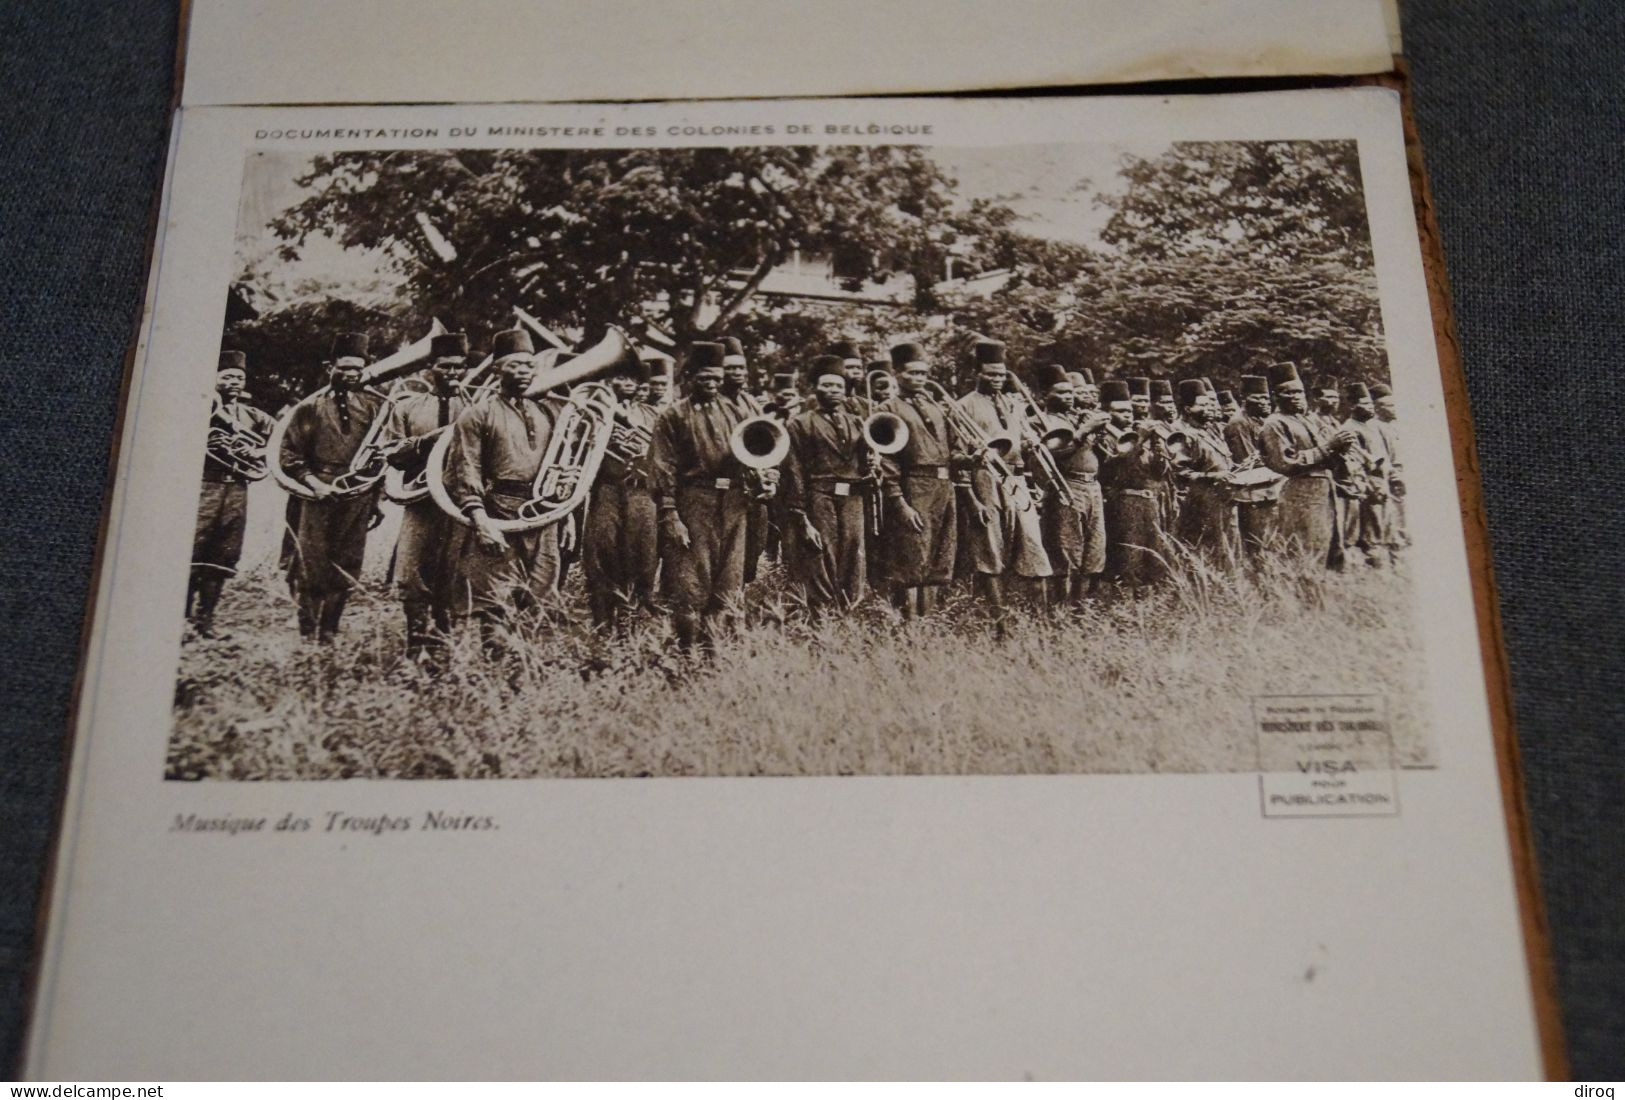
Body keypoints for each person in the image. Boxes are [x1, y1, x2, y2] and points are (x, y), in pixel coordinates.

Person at [439, 328, 562, 653]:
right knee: (495, 600)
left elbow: (562, 464)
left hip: (543, 513)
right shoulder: (476, 414)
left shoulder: (546, 411)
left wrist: (566, 512)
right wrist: (481, 521)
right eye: (515, 365)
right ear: (497, 369)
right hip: (498, 512)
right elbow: (465, 470)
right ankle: (498, 671)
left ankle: (521, 673)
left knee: (537, 597)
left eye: (528, 365)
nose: (524, 372)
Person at [648, 340, 772, 650]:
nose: (713, 384)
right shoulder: (673, 416)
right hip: (694, 501)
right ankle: (687, 652)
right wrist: (671, 516)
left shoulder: (736, 410)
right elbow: (663, 468)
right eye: (705, 378)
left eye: (717, 378)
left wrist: (764, 476)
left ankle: (716, 653)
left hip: (733, 502)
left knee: (728, 581)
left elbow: (755, 451)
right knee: (691, 582)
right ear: (690, 377)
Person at [277, 331, 386, 643]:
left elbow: (378, 458)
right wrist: (313, 484)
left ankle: (329, 633)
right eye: (345, 367)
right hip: (317, 491)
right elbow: (290, 454)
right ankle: (308, 635)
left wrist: (375, 499)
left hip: (358, 494)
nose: (351, 375)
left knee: (347, 563)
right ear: (330, 367)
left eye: (357, 369)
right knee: (311, 564)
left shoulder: (373, 408)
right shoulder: (310, 407)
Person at [383, 330, 475, 659]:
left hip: (461, 504)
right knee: (410, 575)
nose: (453, 373)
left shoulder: (477, 406)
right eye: (446, 367)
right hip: (420, 503)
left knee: (454, 574)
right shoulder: (407, 406)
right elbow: (391, 453)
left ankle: (444, 648)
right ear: (430, 369)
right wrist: (425, 442)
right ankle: (415, 644)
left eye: (459, 367)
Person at [956, 339, 1051, 610]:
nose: (996, 379)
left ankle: (1039, 618)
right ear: (977, 374)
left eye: (1001, 374)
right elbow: (959, 455)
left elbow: (1021, 444)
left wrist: (1030, 446)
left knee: (1033, 545)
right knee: (990, 550)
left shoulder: (1013, 404)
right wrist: (971, 500)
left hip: (1017, 480)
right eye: (990, 374)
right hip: (985, 479)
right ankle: (1000, 621)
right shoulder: (965, 405)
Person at [187, 349, 276, 638]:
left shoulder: (252, 415)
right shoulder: (198, 405)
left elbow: (282, 439)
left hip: (237, 489)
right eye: (227, 377)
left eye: (239, 377)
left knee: (223, 555)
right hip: (203, 486)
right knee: (192, 551)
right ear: (214, 379)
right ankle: (181, 621)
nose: (235, 382)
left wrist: (257, 450)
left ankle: (206, 621)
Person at [879, 341, 967, 619]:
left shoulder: (938, 406)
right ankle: (908, 622)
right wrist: (899, 502)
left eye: (923, 374)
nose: (918, 379)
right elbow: (886, 460)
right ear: (896, 374)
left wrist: (969, 457)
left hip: (944, 487)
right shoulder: (887, 408)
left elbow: (954, 447)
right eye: (911, 373)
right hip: (913, 486)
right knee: (911, 555)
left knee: (939, 555)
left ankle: (928, 621)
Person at [782, 355, 871, 612]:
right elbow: (794, 471)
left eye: (839, 387)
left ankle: (848, 617)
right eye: (827, 385)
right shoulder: (799, 423)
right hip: (819, 498)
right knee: (822, 558)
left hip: (853, 499)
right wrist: (801, 516)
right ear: (815, 388)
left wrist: (871, 467)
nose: (833, 391)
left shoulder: (857, 422)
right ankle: (822, 620)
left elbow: (863, 462)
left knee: (853, 560)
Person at [581, 350, 660, 630]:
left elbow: (664, 454)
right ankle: (604, 623)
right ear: (608, 379)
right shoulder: (591, 413)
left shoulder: (652, 414)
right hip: (607, 490)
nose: (628, 383)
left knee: (644, 555)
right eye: (620, 377)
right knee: (603, 553)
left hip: (642, 493)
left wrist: (643, 451)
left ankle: (636, 620)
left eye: (633, 379)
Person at [1258, 362, 1357, 566]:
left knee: (1328, 546)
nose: (1296, 397)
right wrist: (1329, 447)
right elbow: (1286, 462)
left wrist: (1340, 450)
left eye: (1300, 392)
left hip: (1324, 491)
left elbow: (1324, 455)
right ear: (1276, 396)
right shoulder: (1274, 423)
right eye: (1289, 393)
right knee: (1305, 551)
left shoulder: (1305, 421)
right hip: (1300, 493)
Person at [1033, 362, 1110, 605]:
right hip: (1065, 488)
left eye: (1070, 392)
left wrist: (1098, 437)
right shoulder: (1040, 421)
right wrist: (1083, 431)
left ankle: (1081, 608)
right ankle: (1061, 610)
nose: (1070, 397)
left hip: (1092, 488)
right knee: (1067, 553)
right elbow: (1046, 457)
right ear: (1045, 396)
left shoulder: (1076, 418)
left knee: (1094, 553)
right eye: (1062, 393)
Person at [1098, 379, 1171, 589]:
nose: (1128, 415)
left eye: (1129, 410)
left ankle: (1147, 603)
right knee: (1129, 556)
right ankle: (1126, 604)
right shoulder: (1104, 436)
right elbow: (1115, 467)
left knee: (1153, 554)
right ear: (1107, 412)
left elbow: (1157, 474)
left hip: (1148, 501)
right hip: (1124, 502)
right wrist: (1141, 437)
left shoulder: (1136, 434)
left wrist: (1159, 451)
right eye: (1120, 411)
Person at [1171, 379, 1239, 565]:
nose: (1209, 408)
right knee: (1205, 552)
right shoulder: (1180, 433)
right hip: (1199, 501)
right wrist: (1212, 476)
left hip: (1222, 498)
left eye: (1209, 404)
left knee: (1226, 550)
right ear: (1187, 409)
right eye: (1202, 405)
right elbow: (1178, 472)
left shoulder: (1211, 430)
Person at [1223, 373, 1283, 559]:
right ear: (1244, 398)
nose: (1265, 402)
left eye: (1266, 397)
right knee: (1255, 548)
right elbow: (1248, 462)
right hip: (1253, 496)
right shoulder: (1238, 423)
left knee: (1271, 545)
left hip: (1270, 492)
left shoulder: (1262, 421)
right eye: (1258, 397)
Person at [1337, 382, 1396, 567]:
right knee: (1371, 530)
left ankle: (1385, 564)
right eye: (1365, 403)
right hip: (1368, 486)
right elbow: (1354, 463)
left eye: (1371, 403)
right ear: (1353, 406)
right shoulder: (1349, 428)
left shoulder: (1373, 426)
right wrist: (1368, 483)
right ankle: (1373, 564)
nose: (1370, 407)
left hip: (1382, 483)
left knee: (1384, 526)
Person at [1371, 382, 1407, 551]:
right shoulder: (1374, 427)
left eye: (1395, 404)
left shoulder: (1397, 426)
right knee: (1392, 516)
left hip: (1404, 473)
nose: (1394, 408)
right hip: (1389, 477)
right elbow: (1380, 456)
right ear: (1377, 408)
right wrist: (1393, 474)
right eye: (1389, 405)